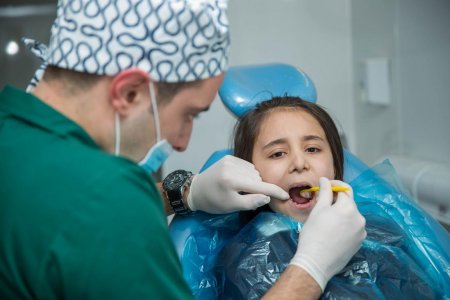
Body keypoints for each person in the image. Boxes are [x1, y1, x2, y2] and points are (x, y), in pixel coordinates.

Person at [0, 1, 365, 299]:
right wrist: (311, 269)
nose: (181, 142)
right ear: (129, 93)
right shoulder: (106, 199)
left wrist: (185, 193)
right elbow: (92, 207)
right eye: (188, 114)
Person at [213, 96, 439, 299]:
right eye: (278, 153)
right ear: (249, 174)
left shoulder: (382, 231)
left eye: (312, 149)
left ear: (335, 167)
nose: (299, 164)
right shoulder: (246, 262)